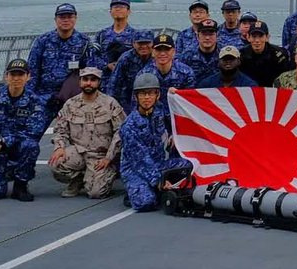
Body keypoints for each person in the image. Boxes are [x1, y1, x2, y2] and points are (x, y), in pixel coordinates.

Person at [0, 58, 47, 201]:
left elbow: (34, 131)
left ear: (28, 77)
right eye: (13, 75)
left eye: (21, 74)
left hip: (18, 147)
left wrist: (4, 141)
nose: (16, 78)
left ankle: (20, 185)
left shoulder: (35, 101)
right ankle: (5, 172)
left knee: (31, 146)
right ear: (6, 76)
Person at [48, 66, 125, 198]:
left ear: (99, 82)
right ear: (80, 82)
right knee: (56, 163)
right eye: (85, 79)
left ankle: (102, 175)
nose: (89, 83)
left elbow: (120, 132)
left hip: (100, 156)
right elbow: (61, 130)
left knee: (96, 193)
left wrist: (109, 158)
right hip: (79, 151)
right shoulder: (70, 104)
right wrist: (59, 147)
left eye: (93, 79)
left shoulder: (110, 103)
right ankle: (77, 180)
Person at [119, 72, 192, 212]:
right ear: (136, 97)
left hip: (159, 163)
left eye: (151, 93)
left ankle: (156, 188)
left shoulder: (159, 109)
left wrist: (172, 134)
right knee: (146, 202)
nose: (147, 98)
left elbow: (176, 117)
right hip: (136, 169)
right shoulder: (129, 126)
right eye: (142, 94)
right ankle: (136, 191)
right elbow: (140, 160)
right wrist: (160, 181)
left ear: (157, 95)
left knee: (188, 165)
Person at [27, 2, 101, 113]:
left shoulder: (84, 42)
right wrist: (30, 97)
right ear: (55, 19)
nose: (66, 20)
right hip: (43, 97)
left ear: (75, 18)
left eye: (69, 16)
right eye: (62, 17)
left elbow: (90, 72)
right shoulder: (43, 41)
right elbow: (32, 71)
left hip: (72, 98)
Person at [136, 33, 196, 114]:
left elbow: (191, 103)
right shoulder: (143, 75)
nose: (162, 53)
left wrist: (178, 95)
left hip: (178, 115)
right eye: (159, 50)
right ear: (153, 52)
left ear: (174, 52)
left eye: (166, 49)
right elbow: (137, 106)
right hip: (153, 117)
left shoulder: (186, 73)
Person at [106, 30, 153, 113]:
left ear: (153, 43)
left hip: (153, 99)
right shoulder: (125, 58)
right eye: (140, 43)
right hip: (128, 100)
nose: (144, 46)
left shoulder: (158, 58)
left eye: (147, 43)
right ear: (134, 44)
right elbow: (114, 83)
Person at [240, 20, 293, 87]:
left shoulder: (278, 55)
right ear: (248, 37)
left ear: (267, 37)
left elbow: (285, 78)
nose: (257, 40)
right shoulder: (242, 55)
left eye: (260, 36)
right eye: (254, 36)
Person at [97, 0, 137, 77]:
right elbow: (94, 56)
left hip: (127, 78)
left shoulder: (135, 35)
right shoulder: (102, 34)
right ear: (110, 11)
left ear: (129, 11)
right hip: (105, 79)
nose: (118, 9)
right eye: (115, 7)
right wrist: (106, 65)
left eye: (122, 7)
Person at [180, 18, 221, 85]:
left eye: (211, 34)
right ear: (198, 36)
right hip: (194, 93)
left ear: (217, 36)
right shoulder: (187, 55)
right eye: (204, 34)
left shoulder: (224, 55)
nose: (207, 38)